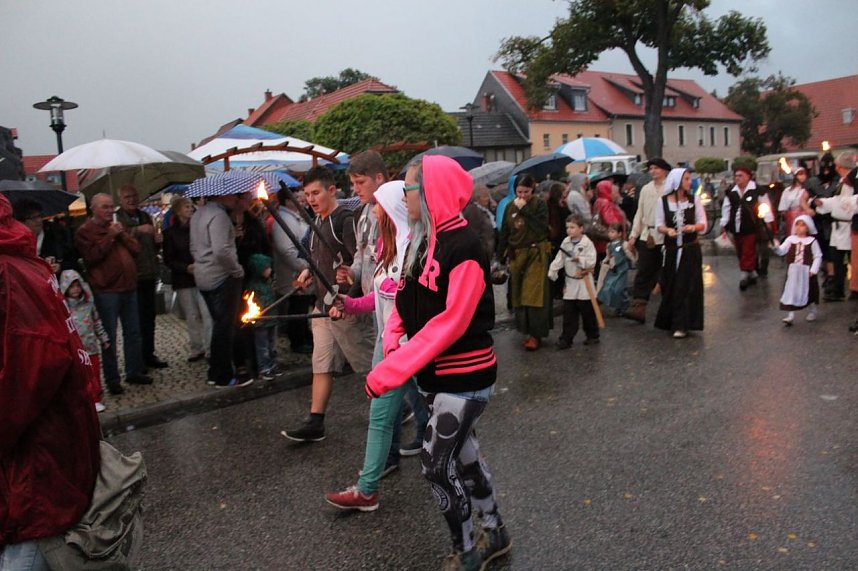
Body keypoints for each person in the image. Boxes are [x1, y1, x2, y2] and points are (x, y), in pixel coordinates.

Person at [365, 155, 510, 571]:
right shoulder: (422, 238)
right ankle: (495, 531)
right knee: (465, 457)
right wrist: (393, 339)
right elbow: (404, 298)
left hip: (465, 376)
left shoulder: (464, 246)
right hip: (435, 376)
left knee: (434, 465)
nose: (404, 196)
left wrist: (391, 370)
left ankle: (466, 551)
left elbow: (451, 322)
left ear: (431, 193)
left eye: (409, 188)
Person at [0, 193, 101, 569]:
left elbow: (29, 370)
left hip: (33, 467)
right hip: (37, 457)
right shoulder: (21, 261)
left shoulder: (8, 272)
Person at [324, 180, 418, 510]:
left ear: (391, 208)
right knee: (380, 415)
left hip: (415, 347)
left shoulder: (414, 248)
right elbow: (378, 297)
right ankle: (367, 490)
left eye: (378, 204)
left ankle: (465, 481)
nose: (373, 210)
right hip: (386, 345)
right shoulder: (385, 246)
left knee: (440, 416)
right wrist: (349, 304)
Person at [284, 167, 374, 442]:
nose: (310, 199)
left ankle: (400, 406)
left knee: (368, 363)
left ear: (331, 190)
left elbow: (358, 263)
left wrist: (347, 298)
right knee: (321, 364)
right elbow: (318, 257)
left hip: (345, 307)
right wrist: (307, 272)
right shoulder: (316, 223)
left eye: (316, 193)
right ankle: (315, 421)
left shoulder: (344, 220)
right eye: (307, 194)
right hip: (323, 308)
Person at [75, 193, 151, 394]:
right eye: (105, 207)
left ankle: (134, 370)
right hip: (107, 290)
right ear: (93, 209)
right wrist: (110, 236)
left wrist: (122, 234)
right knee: (108, 336)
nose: (110, 210)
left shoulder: (117, 226)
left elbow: (136, 249)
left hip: (128, 286)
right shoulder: (85, 231)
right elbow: (92, 257)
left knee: (133, 332)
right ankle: (112, 378)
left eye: (111, 207)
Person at [190, 190, 252, 389]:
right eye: (233, 195)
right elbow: (221, 251)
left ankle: (215, 372)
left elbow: (194, 247)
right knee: (224, 327)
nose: (235, 199)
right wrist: (237, 269)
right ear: (221, 195)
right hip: (220, 276)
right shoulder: (219, 216)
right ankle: (222, 375)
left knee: (220, 325)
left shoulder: (199, 213)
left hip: (203, 274)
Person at [497, 174, 552, 351]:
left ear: (532, 189)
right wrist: (500, 256)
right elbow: (505, 232)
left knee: (533, 294)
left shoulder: (539, 204)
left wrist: (525, 211)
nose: (522, 196)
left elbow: (541, 228)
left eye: (526, 192)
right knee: (519, 295)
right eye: (519, 192)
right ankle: (526, 331)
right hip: (517, 255)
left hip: (536, 254)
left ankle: (536, 335)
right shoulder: (509, 207)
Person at [116, 184, 169, 369]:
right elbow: (118, 239)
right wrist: (138, 230)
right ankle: (137, 360)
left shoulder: (145, 216)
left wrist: (157, 242)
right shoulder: (117, 218)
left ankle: (149, 354)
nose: (132, 200)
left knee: (149, 318)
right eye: (127, 197)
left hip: (149, 273)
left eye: (134, 196)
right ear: (120, 200)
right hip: (132, 276)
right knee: (135, 321)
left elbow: (151, 243)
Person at [655, 168, 707, 338]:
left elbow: (703, 223)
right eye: (686, 179)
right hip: (671, 251)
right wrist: (668, 230)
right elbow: (659, 224)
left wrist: (693, 227)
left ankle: (683, 324)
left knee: (687, 286)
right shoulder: (663, 202)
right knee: (672, 285)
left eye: (689, 179)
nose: (689, 182)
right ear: (677, 181)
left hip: (690, 249)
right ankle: (673, 321)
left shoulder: (694, 200)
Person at [163, 196, 212, 363]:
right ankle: (196, 347)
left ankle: (210, 347)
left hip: (202, 275)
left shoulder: (199, 229)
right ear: (178, 211)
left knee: (207, 313)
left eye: (191, 206)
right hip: (183, 279)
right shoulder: (170, 234)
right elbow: (169, 259)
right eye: (186, 207)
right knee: (192, 315)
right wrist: (185, 267)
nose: (191, 209)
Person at [626, 157, 671, 323]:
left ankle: (668, 310)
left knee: (666, 272)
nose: (653, 171)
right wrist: (633, 235)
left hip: (666, 236)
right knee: (643, 271)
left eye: (656, 168)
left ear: (664, 170)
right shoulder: (646, 189)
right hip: (648, 235)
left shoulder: (670, 188)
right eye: (651, 169)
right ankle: (639, 308)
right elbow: (640, 213)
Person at [270, 186, 313, 354]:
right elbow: (287, 251)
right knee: (297, 305)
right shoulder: (283, 219)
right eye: (297, 196)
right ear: (288, 200)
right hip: (294, 272)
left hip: (303, 268)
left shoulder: (296, 217)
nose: (301, 198)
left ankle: (304, 336)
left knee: (302, 305)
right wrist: (305, 266)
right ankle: (297, 340)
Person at [61, 269, 111, 413]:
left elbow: (96, 321)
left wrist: (104, 339)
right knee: (77, 376)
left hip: (91, 347)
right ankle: (80, 400)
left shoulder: (89, 304)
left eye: (77, 286)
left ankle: (95, 399)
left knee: (94, 374)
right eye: (71, 286)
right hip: (75, 350)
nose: (75, 289)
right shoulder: (63, 309)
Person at [548, 214, 599, 349]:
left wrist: (580, 260)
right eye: (567, 227)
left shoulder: (587, 243)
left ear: (581, 228)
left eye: (572, 227)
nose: (569, 230)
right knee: (569, 313)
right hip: (571, 282)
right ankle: (566, 338)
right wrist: (553, 271)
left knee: (587, 312)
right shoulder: (566, 242)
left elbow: (592, 261)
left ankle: (592, 334)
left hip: (584, 283)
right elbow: (560, 258)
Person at [719, 166, 774, 291]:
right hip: (736, 227)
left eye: (740, 175)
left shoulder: (757, 190)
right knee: (740, 250)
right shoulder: (731, 192)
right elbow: (726, 209)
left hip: (751, 226)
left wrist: (768, 220)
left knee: (748, 250)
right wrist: (724, 224)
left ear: (748, 177)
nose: (737, 178)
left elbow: (765, 205)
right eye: (736, 176)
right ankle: (752, 273)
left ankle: (744, 274)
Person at [814, 151, 857, 302]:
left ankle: (854, 289)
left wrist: (846, 203)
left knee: (853, 260)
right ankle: (838, 289)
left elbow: (850, 202)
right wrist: (823, 203)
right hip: (838, 226)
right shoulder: (843, 181)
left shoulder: (852, 181)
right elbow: (837, 200)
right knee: (836, 259)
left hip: (848, 225)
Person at [773, 215, 822, 325]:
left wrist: (813, 270)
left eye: (802, 225)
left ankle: (813, 310)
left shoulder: (812, 241)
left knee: (809, 292)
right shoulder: (790, 240)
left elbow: (818, 256)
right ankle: (790, 315)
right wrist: (775, 248)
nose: (799, 228)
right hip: (793, 271)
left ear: (808, 228)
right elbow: (782, 251)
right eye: (797, 225)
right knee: (791, 291)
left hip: (806, 272)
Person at [246, 253, 279, 380]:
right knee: (263, 346)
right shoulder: (254, 287)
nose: (270, 270)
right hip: (261, 323)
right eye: (266, 268)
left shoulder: (269, 283)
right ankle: (264, 368)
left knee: (272, 345)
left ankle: (273, 365)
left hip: (272, 319)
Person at [596, 223, 631, 316]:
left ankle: (623, 306)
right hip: (613, 269)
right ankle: (610, 302)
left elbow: (629, 254)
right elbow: (608, 256)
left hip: (622, 269)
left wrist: (633, 260)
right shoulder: (609, 245)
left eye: (613, 232)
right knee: (608, 286)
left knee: (619, 289)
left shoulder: (623, 244)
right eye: (609, 232)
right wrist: (604, 262)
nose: (610, 234)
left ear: (619, 233)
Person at [777, 167, 813, 240]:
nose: (802, 176)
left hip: (805, 216)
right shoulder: (787, 190)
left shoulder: (809, 189)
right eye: (800, 174)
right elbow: (783, 207)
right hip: (791, 217)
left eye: (804, 174)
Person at [463, 183, 496, 262]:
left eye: (488, 196)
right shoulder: (473, 211)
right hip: (483, 253)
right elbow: (475, 233)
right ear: (477, 198)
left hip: (489, 250)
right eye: (485, 197)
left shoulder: (484, 209)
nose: (487, 199)